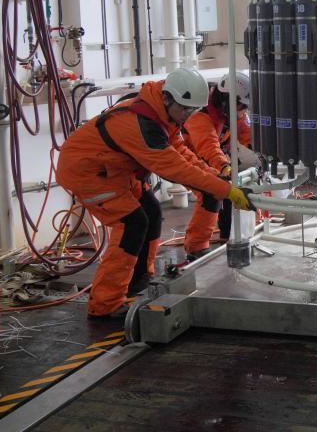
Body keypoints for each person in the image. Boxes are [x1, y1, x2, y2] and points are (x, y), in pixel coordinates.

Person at [56, 68, 251, 320]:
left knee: (152, 212)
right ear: (168, 98)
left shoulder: (162, 113)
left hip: (116, 172)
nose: (188, 115)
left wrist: (216, 176)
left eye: (193, 110)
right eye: (185, 109)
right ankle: (105, 304)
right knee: (132, 223)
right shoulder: (140, 124)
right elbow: (176, 168)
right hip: (89, 173)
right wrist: (226, 190)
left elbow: (181, 151)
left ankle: (139, 279)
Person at [182, 72, 254, 260]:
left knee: (231, 188)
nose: (243, 111)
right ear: (228, 100)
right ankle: (196, 247)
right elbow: (209, 147)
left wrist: (262, 153)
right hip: (187, 158)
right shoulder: (200, 115)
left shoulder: (231, 113)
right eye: (241, 106)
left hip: (215, 157)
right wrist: (224, 168)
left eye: (244, 108)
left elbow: (247, 134)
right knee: (210, 195)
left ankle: (228, 236)